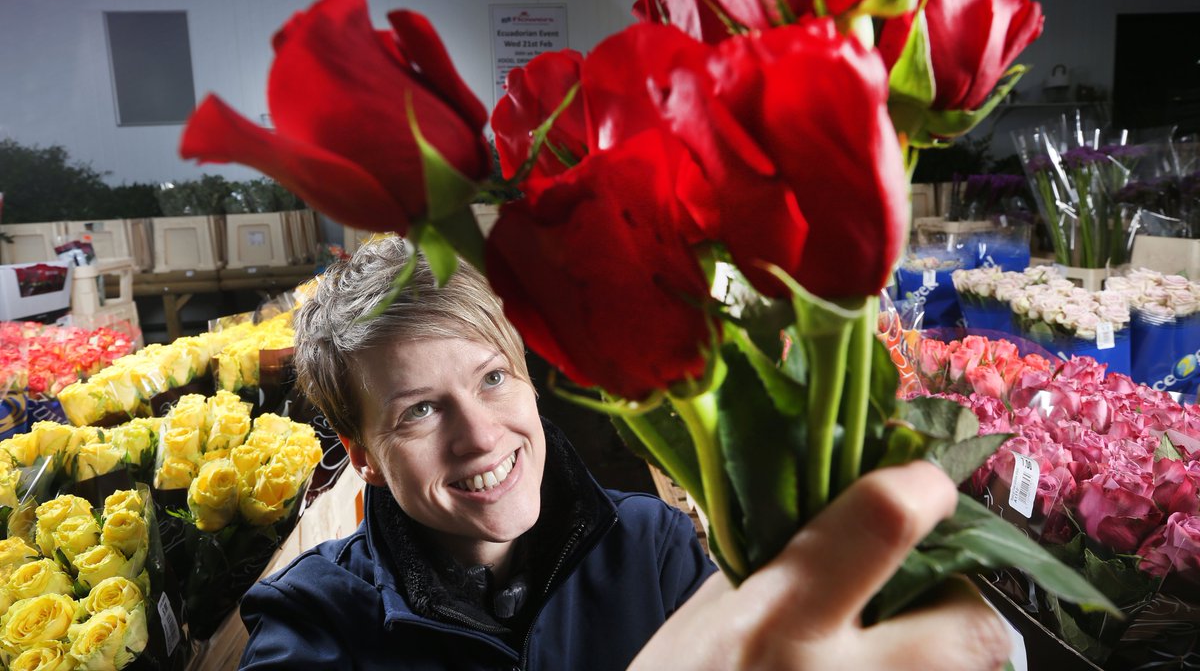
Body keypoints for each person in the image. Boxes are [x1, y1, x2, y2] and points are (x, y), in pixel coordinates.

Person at [238, 236, 1011, 670]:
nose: (479, 435)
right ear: (362, 455)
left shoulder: (657, 548)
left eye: (493, 378)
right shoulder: (313, 623)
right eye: (420, 410)